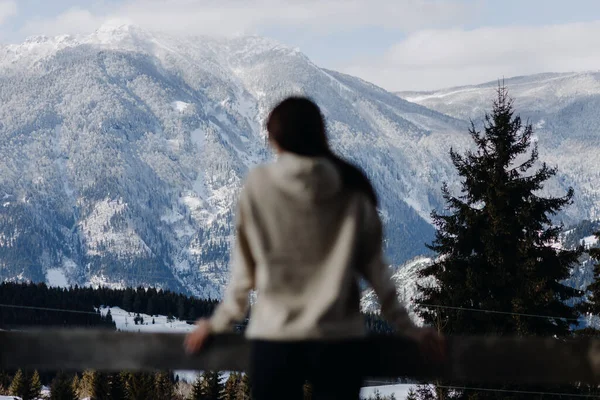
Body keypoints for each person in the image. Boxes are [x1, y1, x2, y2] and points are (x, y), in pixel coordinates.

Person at [185, 96, 444, 399]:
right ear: (320, 134)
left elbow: (244, 276)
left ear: (275, 140)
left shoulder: (259, 186)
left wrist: (217, 323)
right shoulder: (352, 186)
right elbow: (378, 274)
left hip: (274, 339)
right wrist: (410, 329)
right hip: (339, 344)